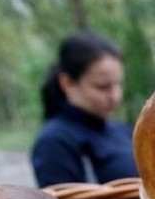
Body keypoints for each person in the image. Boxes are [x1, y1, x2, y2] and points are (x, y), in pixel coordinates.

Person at [31, 31, 139, 187]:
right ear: (67, 83)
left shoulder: (122, 130)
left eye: (118, 84)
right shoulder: (54, 143)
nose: (115, 96)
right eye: (102, 87)